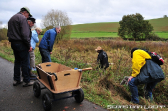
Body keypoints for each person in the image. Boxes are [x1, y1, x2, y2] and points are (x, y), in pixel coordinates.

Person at [7, 6, 34, 87]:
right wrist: (29, 45)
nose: (28, 17)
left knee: (17, 62)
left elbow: (9, 33)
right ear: (25, 12)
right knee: (25, 62)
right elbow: (25, 34)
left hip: (13, 43)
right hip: (21, 44)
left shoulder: (11, 18)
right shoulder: (22, 18)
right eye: (28, 15)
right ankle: (26, 81)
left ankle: (16, 80)